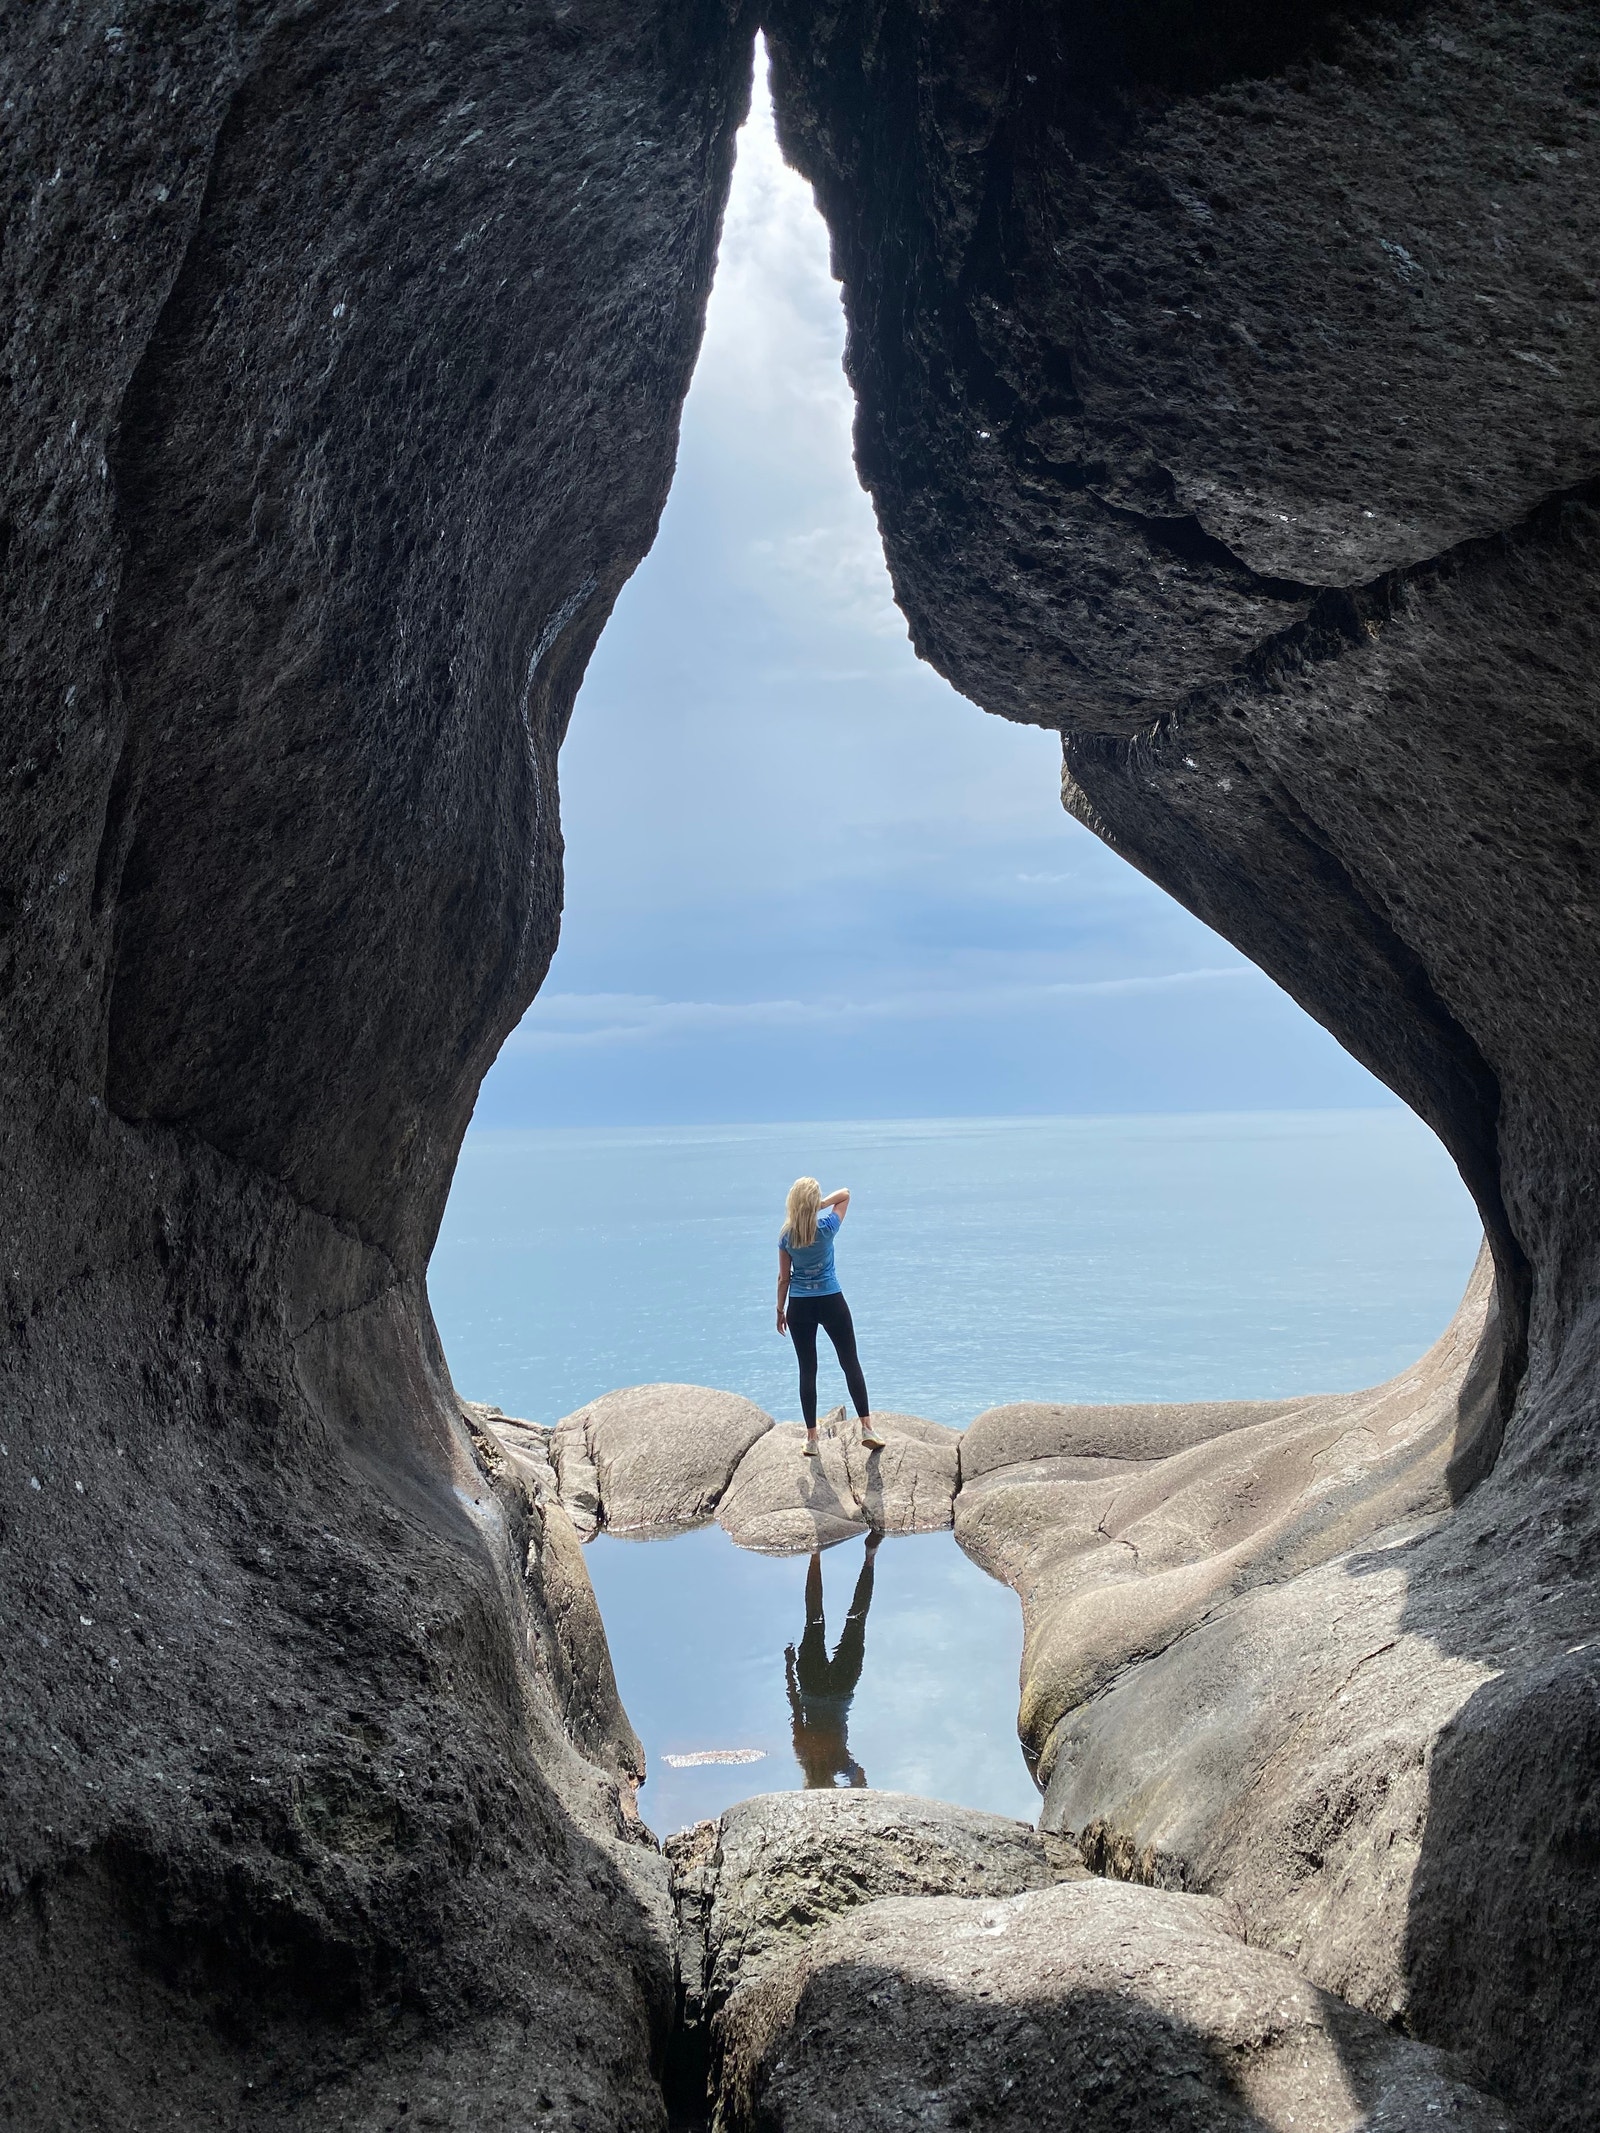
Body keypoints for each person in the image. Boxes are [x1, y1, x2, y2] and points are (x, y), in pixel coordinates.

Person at [776, 1175, 884, 1457]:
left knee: (807, 1370)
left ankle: (812, 1439)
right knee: (850, 1362)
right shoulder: (826, 1228)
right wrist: (819, 1205)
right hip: (831, 1301)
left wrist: (779, 1309)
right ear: (813, 1203)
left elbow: (783, 1278)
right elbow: (846, 1193)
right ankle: (867, 1428)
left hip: (800, 1306)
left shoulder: (787, 1236)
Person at [784, 1537, 880, 1788]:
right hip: (812, 1686)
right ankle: (815, 1555)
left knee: (856, 1621)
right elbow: (794, 1704)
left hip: (841, 1690)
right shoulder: (803, 1750)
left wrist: (849, 1791)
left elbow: (860, 1780)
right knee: (813, 1619)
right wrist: (789, 1667)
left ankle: (870, 1557)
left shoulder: (839, 1761)